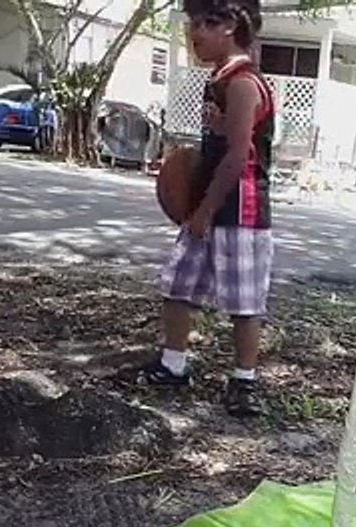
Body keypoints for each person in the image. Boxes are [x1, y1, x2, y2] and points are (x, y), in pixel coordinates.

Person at [142, 0, 273, 417]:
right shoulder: (219, 79)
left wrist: (204, 210)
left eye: (206, 23)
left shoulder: (243, 83)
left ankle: (244, 382)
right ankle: (173, 364)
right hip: (208, 204)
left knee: (243, 300)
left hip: (240, 210)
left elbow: (238, 157)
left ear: (231, 27)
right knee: (178, 283)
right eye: (193, 23)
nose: (195, 32)